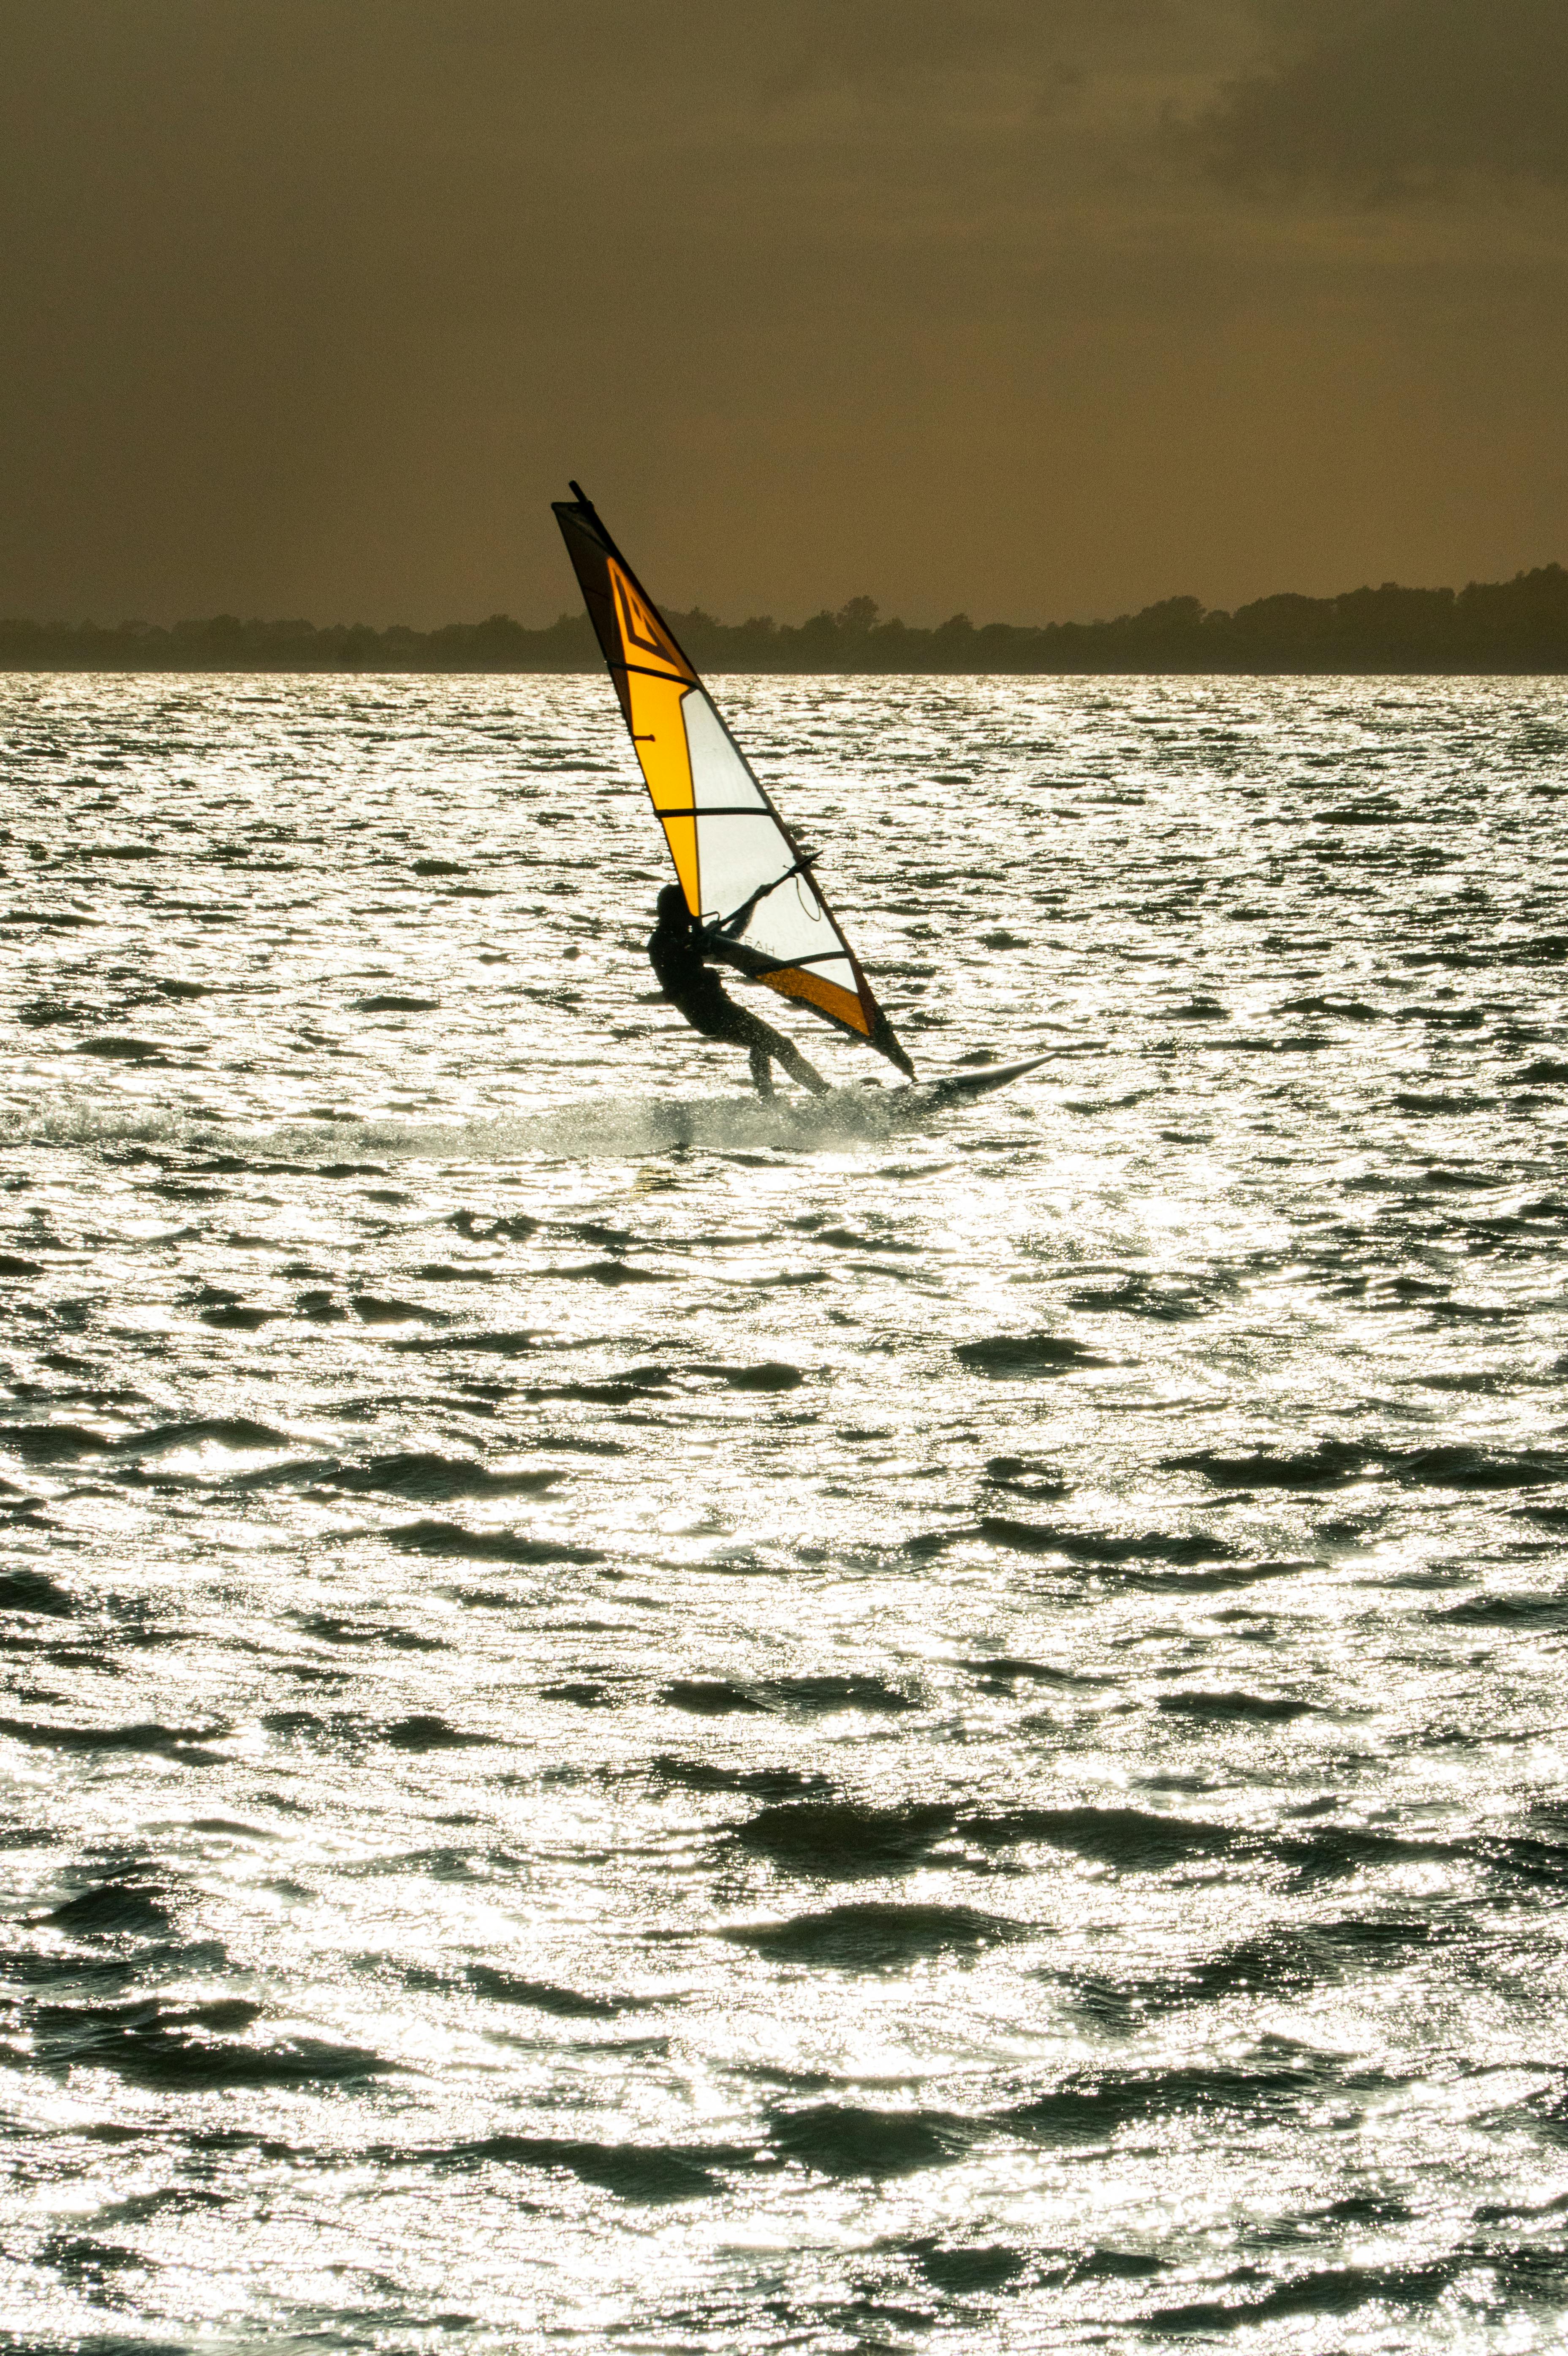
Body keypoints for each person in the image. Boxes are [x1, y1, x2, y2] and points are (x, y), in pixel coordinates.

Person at [648, 883, 830, 1097]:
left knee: (761, 1045)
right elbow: (683, 950)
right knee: (781, 1046)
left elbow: (732, 935)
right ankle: (824, 1094)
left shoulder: (686, 937)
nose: (693, 913)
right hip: (711, 1014)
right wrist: (700, 931)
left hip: (716, 1012)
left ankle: (769, 1099)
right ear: (674, 912)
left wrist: (755, 898)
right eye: (689, 909)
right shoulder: (663, 942)